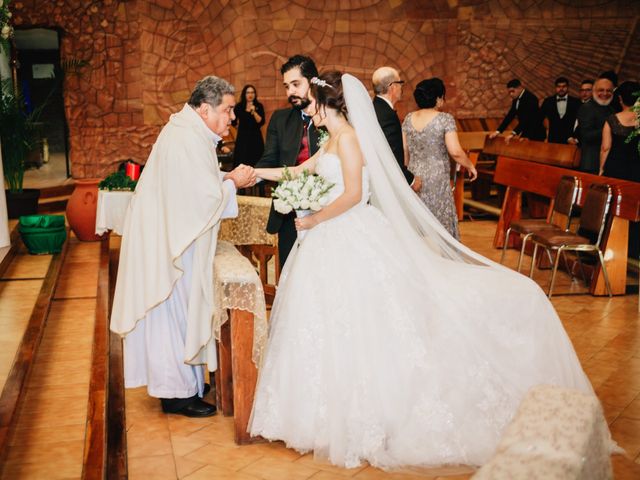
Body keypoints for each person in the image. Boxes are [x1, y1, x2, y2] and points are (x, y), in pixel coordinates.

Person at [249, 71, 601, 469]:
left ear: (328, 104)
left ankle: (368, 417)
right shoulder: (330, 139)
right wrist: (254, 172)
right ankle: (324, 415)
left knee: (365, 327)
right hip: (330, 241)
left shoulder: (348, 140)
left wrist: (314, 220)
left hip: (346, 235)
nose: (307, 109)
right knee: (329, 327)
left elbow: (351, 194)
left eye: (311, 102)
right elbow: (300, 171)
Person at [110, 76, 256, 417]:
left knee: (180, 312)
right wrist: (232, 181)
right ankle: (175, 394)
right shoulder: (186, 136)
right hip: (168, 244)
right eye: (227, 110)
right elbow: (201, 198)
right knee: (169, 312)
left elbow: (195, 184)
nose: (232, 118)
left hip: (173, 235)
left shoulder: (189, 131)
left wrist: (224, 179)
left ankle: (187, 383)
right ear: (205, 109)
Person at [254, 55, 321, 268]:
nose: (290, 92)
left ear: (312, 82)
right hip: (290, 215)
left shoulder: (332, 117)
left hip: (329, 213)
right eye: (286, 86)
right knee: (291, 276)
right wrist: (248, 175)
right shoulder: (280, 119)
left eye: (295, 84)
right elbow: (269, 160)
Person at [401, 78, 477, 239]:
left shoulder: (408, 118)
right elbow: (455, 151)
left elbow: (405, 150)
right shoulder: (444, 119)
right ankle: (443, 259)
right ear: (437, 98)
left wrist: (406, 176)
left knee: (418, 222)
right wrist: (470, 165)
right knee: (440, 222)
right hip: (437, 179)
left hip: (415, 177)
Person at [372, 66, 421, 193]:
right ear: (392, 86)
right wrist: (410, 179)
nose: (401, 88)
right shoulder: (387, 115)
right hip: (386, 183)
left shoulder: (374, 108)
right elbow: (390, 154)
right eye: (400, 83)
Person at [570, 77, 615, 173]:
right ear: (594, 91)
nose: (605, 93)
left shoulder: (611, 109)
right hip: (591, 163)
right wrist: (609, 129)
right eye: (601, 90)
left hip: (607, 162)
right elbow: (586, 136)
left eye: (608, 91)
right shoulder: (587, 108)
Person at [600, 80, 640, 179]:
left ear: (620, 98)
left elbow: (605, 148)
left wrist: (601, 169)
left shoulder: (612, 120)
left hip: (615, 168)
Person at [231, 84, 265, 168]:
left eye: (252, 92)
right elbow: (233, 122)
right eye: (248, 92)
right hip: (243, 138)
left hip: (256, 137)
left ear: (255, 94)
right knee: (242, 160)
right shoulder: (239, 106)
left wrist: (254, 112)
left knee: (256, 161)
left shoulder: (259, 106)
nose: (250, 95)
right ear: (244, 94)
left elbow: (261, 122)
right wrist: (239, 129)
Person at [540, 76, 581, 144]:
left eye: (564, 86)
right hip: (552, 139)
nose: (561, 89)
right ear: (555, 88)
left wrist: (576, 139)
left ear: (568, 88)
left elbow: (580, 122)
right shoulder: (548, 101)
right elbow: (540, 118)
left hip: (570, 140)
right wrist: (544, 137)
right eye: (559, 86)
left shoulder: (576, 102)